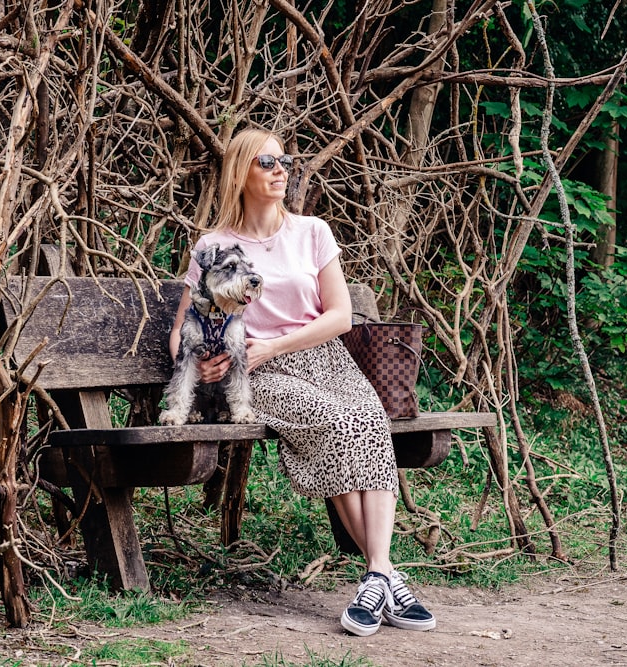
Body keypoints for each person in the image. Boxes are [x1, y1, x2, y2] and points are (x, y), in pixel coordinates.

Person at [169, 128, 436, 637]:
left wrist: (276, 343)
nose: (280, 169)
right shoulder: (214, 245)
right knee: (339, 424)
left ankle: (378, 573)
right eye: (267, 162)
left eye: (284, 160)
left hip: (327, 361)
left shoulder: (312, 231)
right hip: (258, 372)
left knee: (369, 420)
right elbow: (182, 329)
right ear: (240, 171)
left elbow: (339, 316)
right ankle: (388, 581)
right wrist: (200, 360)